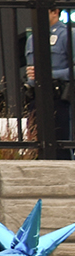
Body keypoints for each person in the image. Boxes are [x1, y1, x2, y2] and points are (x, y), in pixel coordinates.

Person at [24, 10, 72, 160]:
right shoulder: (32, 38)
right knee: (36, 145)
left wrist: (47, 74)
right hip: (36, 97)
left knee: (59, 146)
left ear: (54, 12)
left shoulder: (68, 35)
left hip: (58, 98)